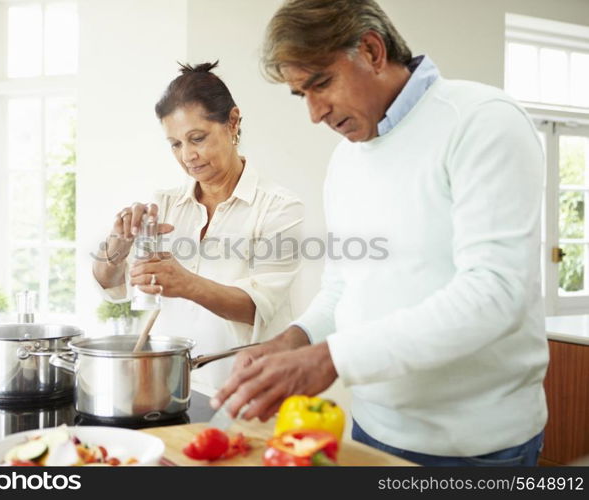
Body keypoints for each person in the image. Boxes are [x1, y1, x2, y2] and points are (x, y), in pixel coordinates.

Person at [212, 0, 547, 466]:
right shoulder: (347, 159)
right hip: (370, 432)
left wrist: (329, 359)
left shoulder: (482, 121)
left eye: (321, 83)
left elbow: (495, 293)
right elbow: (344, 288)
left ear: (371, 50)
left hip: (478, 448)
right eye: (300, 94)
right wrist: (296, 339)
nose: (314, 113)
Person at [92, 62, 304, 390]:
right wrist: (115, 250)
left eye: (197, 138)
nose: (188, 155)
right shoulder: (164, 205)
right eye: (175, 144)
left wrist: (186, 283)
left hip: (250, 388)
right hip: (171, 387)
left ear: (232, 123)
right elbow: (112, 289)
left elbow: (257, 308)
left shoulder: (279, 207)